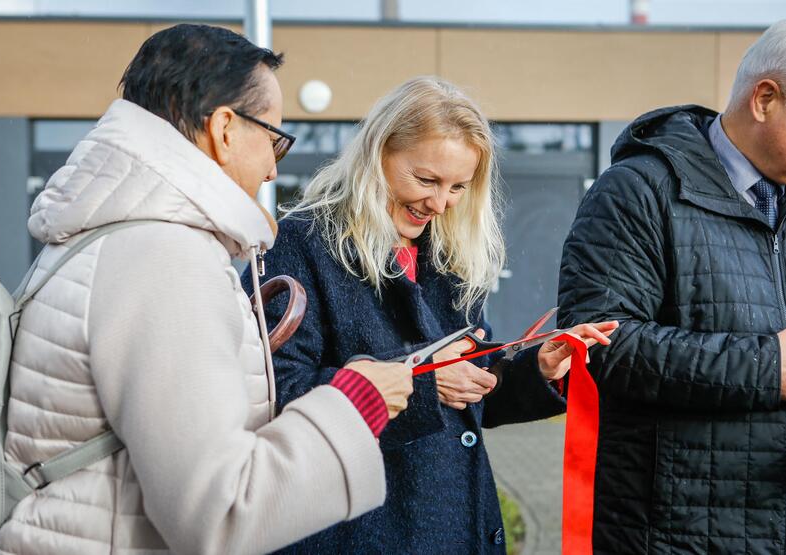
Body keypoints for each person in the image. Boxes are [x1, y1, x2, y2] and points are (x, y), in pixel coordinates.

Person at [0, 24, 416, 555]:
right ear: (226, 129)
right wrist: (357, 403)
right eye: (274, 137)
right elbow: (222, 512)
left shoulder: (105, 235)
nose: (274, 168)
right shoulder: (164, 258)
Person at [246, 76, 618, 553]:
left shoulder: (448, 255)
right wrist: (421, 385)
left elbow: (475, 393)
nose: (440, 204)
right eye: (426, 180)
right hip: (354, 532)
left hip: (453, 528)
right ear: (377, 155)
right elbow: (275, 392)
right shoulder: (302, 243)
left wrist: (538, 368)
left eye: (459, 187)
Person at [558, 20, 786, 555]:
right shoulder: (637, 192)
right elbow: (601, 347)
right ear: (765, 99)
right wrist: (770, 367)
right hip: (673, 534)